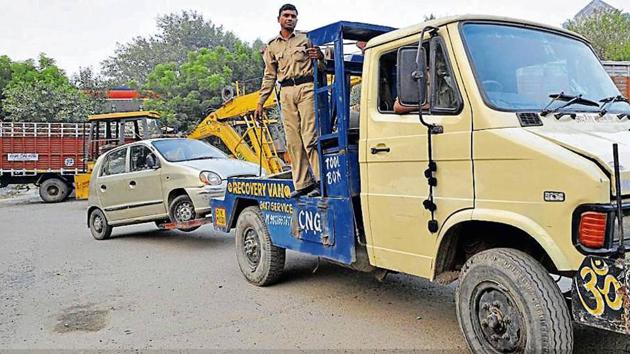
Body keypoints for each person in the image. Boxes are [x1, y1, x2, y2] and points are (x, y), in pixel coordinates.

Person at [254, 3, 324, 198]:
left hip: (306, 87)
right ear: (279, 19)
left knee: (309, 136)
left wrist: (320, 56)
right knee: (293, 140)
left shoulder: (307, 38)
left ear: (296, 19)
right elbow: (269, 75)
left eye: (293, 16)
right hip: (285, 91)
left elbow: (323, 62)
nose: (290, 18)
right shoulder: (272, 46)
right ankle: (302, 184)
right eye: (286, 15)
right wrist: (260, 102)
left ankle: (319, 181)